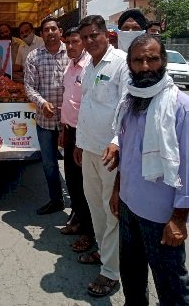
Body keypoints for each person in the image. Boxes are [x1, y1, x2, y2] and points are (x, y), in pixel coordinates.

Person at [109, 34, 189, 305]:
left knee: (172, 289)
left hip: (161, 215)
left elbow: (188, 166)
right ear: (129, 65)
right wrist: (117, 190)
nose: (145, 67)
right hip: (129, 206)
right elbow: (126, 150)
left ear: (163, 61)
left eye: (152, 59)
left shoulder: (180, 107)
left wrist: (178, 219)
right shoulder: (131, 101)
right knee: (132, 279)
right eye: (138, 60)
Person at [73, 15, 128, 297]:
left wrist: (117, 143)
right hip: (89, 148)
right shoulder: (90, 65)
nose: (89, 41)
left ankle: (111, 273)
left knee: (111, 210)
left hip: (110, 153)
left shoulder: (120, 62)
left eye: (94, 35)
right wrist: (80, 143)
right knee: (95, 206)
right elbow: (88, 105)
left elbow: (125, 108)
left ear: (106, 34)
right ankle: (104, 254)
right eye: (85, 37)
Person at [25, 16, 69, 215]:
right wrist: (42, 103)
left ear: (60, 31)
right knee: (49, 163)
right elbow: (29, 88)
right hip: (45, 120)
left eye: (53, 29)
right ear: (41, 34)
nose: (50, 33)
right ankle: (56, 200)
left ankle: (78, 206)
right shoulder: (34, 56)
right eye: (46, 30)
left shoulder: (73, 53)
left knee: (73, 164)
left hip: (71, 121)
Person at [59, 27, 95, 253]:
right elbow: (69, 101)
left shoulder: (89, 68)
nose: (70, 46)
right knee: (72, 180)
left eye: (75, 42)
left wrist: (80, 139)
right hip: (70, 131)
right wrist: (64, 129)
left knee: (87, 185)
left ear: (82, 42)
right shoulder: (69, 67)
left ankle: (89, 233)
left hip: (85, 134)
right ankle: (79, 220)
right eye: (68, 43)